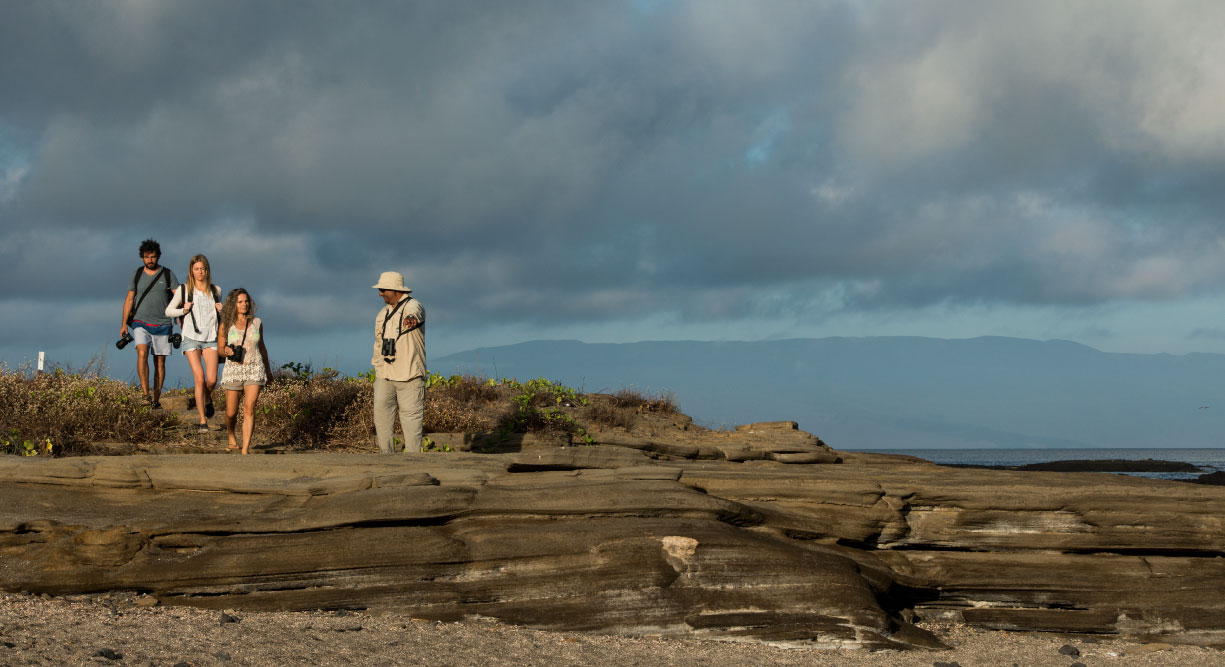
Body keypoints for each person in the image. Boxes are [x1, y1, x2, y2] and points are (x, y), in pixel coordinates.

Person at [165, 254, 223, 432]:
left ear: (207, 270)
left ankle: (206, 398)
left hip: (210, 338)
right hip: (190, 337)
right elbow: (168, 311)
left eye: (203, 269)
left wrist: (222, 309)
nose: (200, 272)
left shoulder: (216, 291)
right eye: (197, 269)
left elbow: (222, 316)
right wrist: (183, 309)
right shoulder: (184, 289)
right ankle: (202, 420)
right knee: (200, 378)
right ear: (192, 270)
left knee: (212, 380)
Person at [119, 238, 179, 408]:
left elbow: (178, 296)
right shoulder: (136, 274)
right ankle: (145, 394)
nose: (150, 260)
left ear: (158, 256)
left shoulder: (168, 274)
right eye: (146, 257)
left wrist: (181, 314)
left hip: (163, 323)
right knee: (142, 352)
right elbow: (130, 298)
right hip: (140, 322)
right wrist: (124, 324)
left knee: (160, 362)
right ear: (142, 258)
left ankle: (156, 399)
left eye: (152, 257)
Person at [371, 271, 426, 453]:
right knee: (382, 418)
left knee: (411, 421)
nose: (380, 294)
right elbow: (379, 343)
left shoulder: (414, 305)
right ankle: (386, 459)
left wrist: (411, 320)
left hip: (409, 375)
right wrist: (378, 367)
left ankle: (413, 463)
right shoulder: (382, 313)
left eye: (383, 290)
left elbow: (415, 314)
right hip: (384, 375)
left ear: (395, 290)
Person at [217, 288, 272, 454]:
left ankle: (245, 449)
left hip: (254, 368)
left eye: (246, 301)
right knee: (231, 412)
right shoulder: (226, 325)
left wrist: (268, 371)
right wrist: (225, 350)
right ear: (234, 304)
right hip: (233, 370)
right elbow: (219, 348)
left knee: (249, 407)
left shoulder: (257, 322)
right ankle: (231, 435)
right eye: (240, 301)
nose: (244, 304)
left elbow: (261, 347)